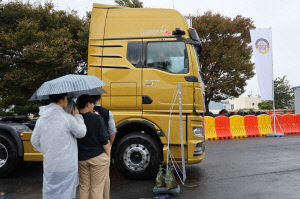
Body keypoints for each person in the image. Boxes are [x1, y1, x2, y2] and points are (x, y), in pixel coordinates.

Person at [30, 93, 87, 199]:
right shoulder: (67, 118)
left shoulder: (41, 119)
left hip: (50, 165)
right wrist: (78, 116)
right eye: (66, 99)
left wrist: (47, 150)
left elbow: (34, 141)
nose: (67, 101)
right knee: (66, 194)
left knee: (50, 194)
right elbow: (81, 133)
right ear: (61, 101)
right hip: (66, 165)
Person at [77, 94, 110, 199]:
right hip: (97, 157)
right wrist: (108, 155)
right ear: (88, 104)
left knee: (84, 187)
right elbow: (104, 140)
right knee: (96, 188)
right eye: (92, 104)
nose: (93, 106)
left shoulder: (75, 120)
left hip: (81, 158)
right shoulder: (97, 118)